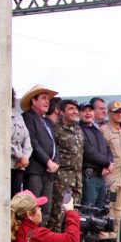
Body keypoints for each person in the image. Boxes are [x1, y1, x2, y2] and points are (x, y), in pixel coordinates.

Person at [21, 84, 60, 225]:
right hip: (35, 172)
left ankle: (41, 241)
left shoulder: (46, 122)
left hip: (48, 172)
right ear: (34, 101)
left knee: (46, 210)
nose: (47, 101)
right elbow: (33, 143)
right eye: (43, 98)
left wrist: (55, 162)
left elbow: (54, 145)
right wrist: (48, 161)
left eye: (48, 99)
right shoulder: (27, 117)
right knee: (33, 209)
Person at [48, 99, 84, 232]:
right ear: (61, 112)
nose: (75, 112)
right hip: (62, 178)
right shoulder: (55, 128)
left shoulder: (78, 129)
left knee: (74, 214)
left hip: (77, 178)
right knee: (59, 213)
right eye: (70, 109)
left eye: (76, 109)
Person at [99, 101, 121, 242]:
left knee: (118, 211)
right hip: (111, 178)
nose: (120, 114)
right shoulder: (104, 131)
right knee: (108, 209)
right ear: (109, 113)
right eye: (117, 111)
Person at [79, 102, 113, 211]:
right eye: (84, 110)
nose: (88, 113)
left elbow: (107, 148)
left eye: (90, 110)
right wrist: (106, 163)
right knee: (88, 211)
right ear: (79, 113)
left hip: (101, 176)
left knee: (100, 212)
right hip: (89, 176)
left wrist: (110, 162)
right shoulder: (79, 129)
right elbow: (89, 152)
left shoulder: (97, 130)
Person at [11, 88, 33, 197]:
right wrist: (20, 156)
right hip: (8, 164)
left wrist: (25, 157)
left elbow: (27, 139)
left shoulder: (18, 116)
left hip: (20, 166)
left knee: (15, 200)